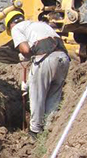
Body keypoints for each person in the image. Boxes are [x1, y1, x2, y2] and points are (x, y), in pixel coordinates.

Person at [5, 10, 70, 138]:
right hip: (63, 59)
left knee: (37, 96)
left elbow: (26, 49)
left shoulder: (16, 28)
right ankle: (49, 129)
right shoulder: (40, 24)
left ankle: (35, 132)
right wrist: (28, 83)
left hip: (45, 59)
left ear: (10, 25)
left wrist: (24, 56)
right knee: (53, 96)